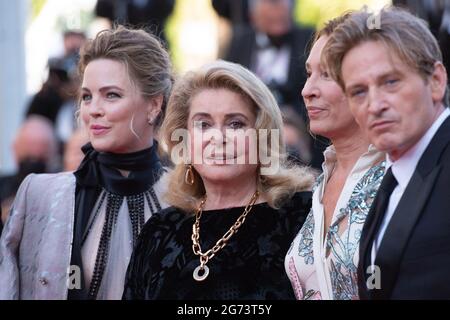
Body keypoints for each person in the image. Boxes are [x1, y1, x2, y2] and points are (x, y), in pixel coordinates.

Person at [0, 25, 173, 300]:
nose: (93, 110)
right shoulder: (39, 196)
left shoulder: (189, 199)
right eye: (87, 96)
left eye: (112, 95)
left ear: (154, 105)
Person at [123, 60, 314, 300]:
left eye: (236, 124)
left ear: (262, 135)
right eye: (203, 124)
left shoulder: (304, 216)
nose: (219, 138)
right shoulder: (160, 230)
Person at [323, 7, 450, 299]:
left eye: (390, 82)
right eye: (358, 92)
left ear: (435, 80)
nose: (375, 104)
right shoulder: (392, 178)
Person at [284, 15, 386, 300]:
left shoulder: (402, 177)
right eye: (308, 73)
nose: (307, 91)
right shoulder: (318, 184)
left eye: (326, 74)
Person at [0, 115, 59, 225]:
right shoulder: (2, 186)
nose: (35, 153)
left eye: (41, 157)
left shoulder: (65, 190)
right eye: (28, 157)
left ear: (53, 152)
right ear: (15, 149)